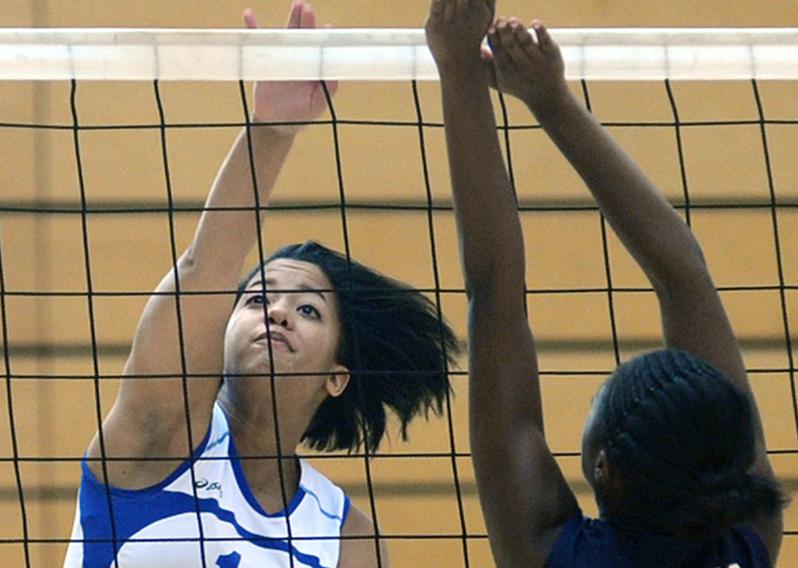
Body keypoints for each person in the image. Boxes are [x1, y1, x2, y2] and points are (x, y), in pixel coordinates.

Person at [63, 2, 457, 567]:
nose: (277, 313)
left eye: (309, 311)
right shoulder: (161, 432)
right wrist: (271, 131)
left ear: (337, 376)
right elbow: (206, 269)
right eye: (257, 299)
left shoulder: (347, 537)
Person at [425, 1, 787, 566]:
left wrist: (534, 94)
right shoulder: (746, 541)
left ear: (604, 466)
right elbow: (493, 288)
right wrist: (472, 73)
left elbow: (683, 278)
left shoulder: (754, 533)